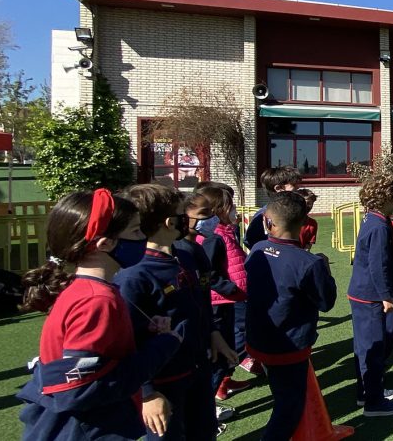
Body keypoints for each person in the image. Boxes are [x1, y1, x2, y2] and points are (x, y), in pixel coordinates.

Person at [17, 189, 183, 440]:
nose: (143, 237)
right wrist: (164, 345)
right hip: (83, 429)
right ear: (105, 244)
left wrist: (146, 335)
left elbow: (99, 359)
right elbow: (77, 390)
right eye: (136, 231)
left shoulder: (90, 289)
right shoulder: (96, 300)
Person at [117, 184, 235, 440]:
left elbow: (201, 302)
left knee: (203, 432)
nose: (190, 221)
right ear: (171, 222)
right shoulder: (134, 275)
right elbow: (125, 341)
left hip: (199, 367)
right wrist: (147, 392)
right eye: (185, 214)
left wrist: (214, 333)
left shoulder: (188, 253)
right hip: (163, 382)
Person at [244, 191, 341, 441]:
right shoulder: (308, 262)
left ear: (268, 222)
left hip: (259, 338)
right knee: (290, 405)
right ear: (304, 223)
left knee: (281, 394)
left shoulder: (257, 249)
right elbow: (326, 302)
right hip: (290, 345)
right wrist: (325, 270)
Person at [348, 172, 393, 417]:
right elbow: (379, 266)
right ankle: (374, 402)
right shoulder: (378, 226)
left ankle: (365, 393)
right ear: (387, 197)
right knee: (373, 349)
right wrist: (387, 296)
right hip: (370, 296)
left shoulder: (376, 219)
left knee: (365, 347)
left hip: (363, 293)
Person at [187, 188, 252, 407]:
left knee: (230, 347)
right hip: (222, 301)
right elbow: (209, 273)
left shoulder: (226, 231)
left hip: (232, 298)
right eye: (229, 205)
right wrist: (230, 288)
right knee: (223, 351)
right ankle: (207, 402)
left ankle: (224, 380)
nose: (234, 209)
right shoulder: (212, 238)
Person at [244, 166, 302, 250]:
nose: (298, 189)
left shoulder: (291, 212)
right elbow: (249, 240)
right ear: (278, 188)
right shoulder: (263, 215)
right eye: (294, 186)